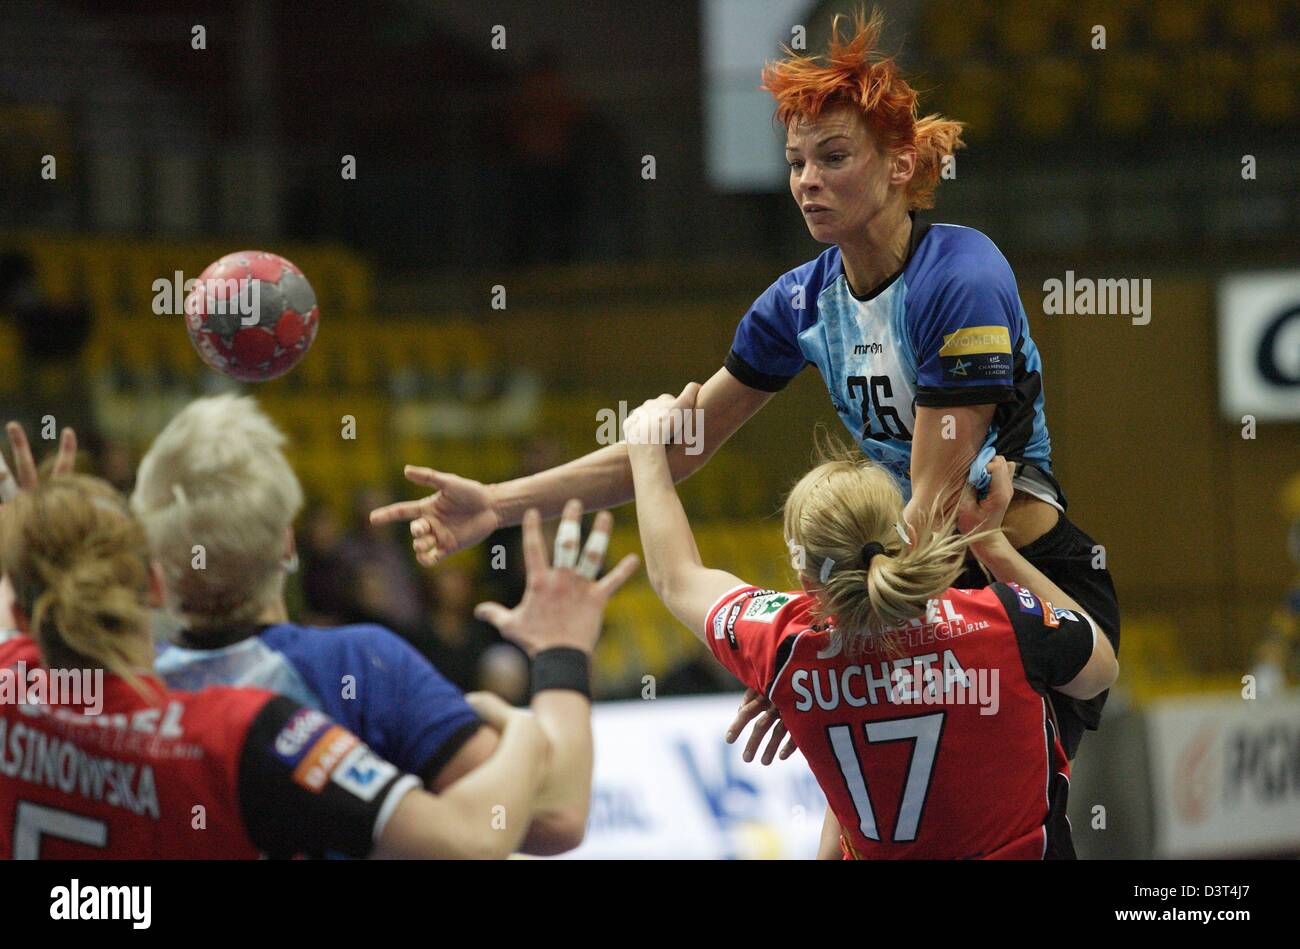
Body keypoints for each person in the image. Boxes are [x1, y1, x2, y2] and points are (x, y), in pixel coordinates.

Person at [369, 10, 1118, 760]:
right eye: (796, 162)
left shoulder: (962, 277)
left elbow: (934, 506)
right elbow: (675, 451)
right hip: (910, 590)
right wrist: (496, 503)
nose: (808, 182)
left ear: (898, 164)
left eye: (833, 157)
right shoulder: (797, 302)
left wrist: (820, 651)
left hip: (1023, 589)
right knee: (863, 833)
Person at [130, 395, 635, 854]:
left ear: (154, 574)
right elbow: (553, 818)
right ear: (287, 545)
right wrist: (561, 650)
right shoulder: (357, 663)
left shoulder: (117, 685)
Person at [622, 394, 1117, 858]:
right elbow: (1099, 669)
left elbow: (676, 578)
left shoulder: (784, 647)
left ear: (803, 577)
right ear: (902, 539)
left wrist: (647, 456)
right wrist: (991, 544)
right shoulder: (1004, 619)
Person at [0, 474, 559, 859]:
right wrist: (526, 730)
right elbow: (471, 840)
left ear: (24, 614)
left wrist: (38, 535)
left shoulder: (10, 683)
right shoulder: (232, 731)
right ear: (153, 584)